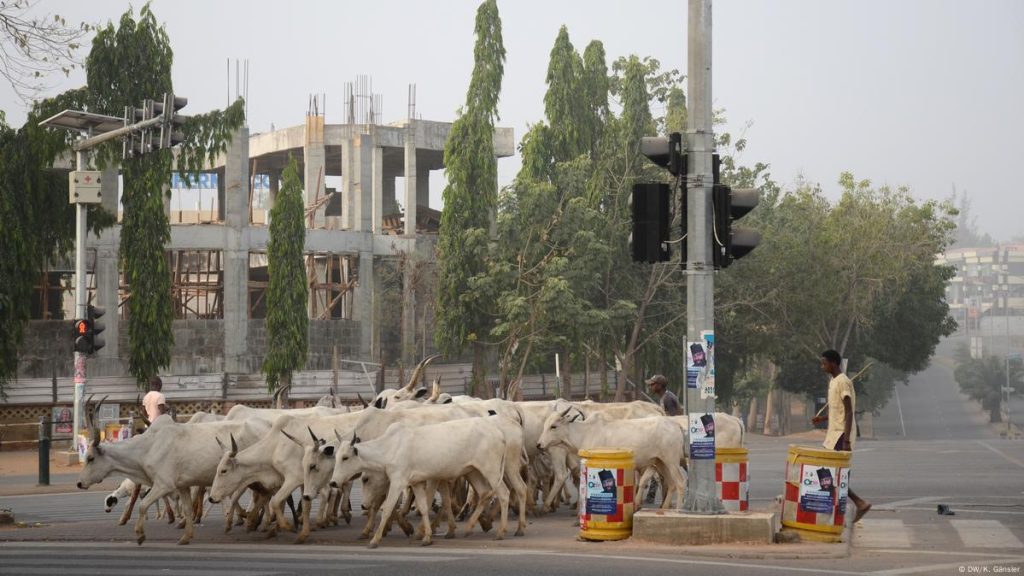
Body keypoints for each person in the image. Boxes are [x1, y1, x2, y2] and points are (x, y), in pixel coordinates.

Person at [812, 350, 871, 523]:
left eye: (824, 363)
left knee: (833, 474)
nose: (822, 366)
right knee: (826, 473)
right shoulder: (833, 381)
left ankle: (850, 506)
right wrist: (822, 418)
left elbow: (849, 410)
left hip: (840, 435)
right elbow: (837, 410)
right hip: (832, 434)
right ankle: (849, 506)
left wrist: (846, 440)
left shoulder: (843, 382)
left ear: (833, 363)